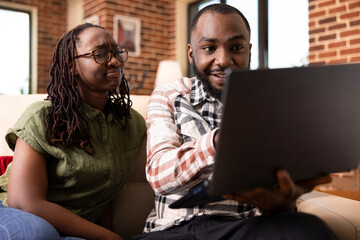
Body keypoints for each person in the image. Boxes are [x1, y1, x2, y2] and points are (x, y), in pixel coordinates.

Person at [135, 4, 336, 240]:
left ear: (248, 52)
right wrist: (221, 140)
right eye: (209, 48)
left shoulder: (270, 105)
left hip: (242, 228)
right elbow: (159, 175)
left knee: (310, 229)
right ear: (192, 53)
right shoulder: (169, 95)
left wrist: (282, 202)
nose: (223, 60)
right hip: (172, 230)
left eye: (236, 48)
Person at [0, 23, 146, 239]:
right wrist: (109, 237)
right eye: (100, 54)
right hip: (13, 214)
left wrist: (107, 232)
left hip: (70, 229)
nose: (114, 61)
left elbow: (102, 192)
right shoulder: (42, 117)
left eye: (117, 53)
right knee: (38, 233)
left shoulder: (132, 124)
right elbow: (25, 203)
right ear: (70, 66)